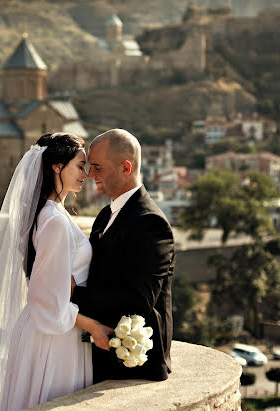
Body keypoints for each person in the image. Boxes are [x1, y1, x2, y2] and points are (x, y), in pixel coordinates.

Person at [0, 133, 113, 411]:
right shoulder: (54, 221)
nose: (87, 174)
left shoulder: (48, 212)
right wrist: (95, 327)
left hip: (48, 330)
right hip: (54, 338)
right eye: (80, 166)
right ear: (57, 166)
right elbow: (47, 302)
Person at [71, 128, 175, 383]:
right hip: (102, 351)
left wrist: (75, 294)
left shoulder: (151, 223)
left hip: (136, 364)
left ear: (125, 168)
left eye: (97, 167)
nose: (89, 174)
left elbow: (140, 300)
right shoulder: (105, 215)